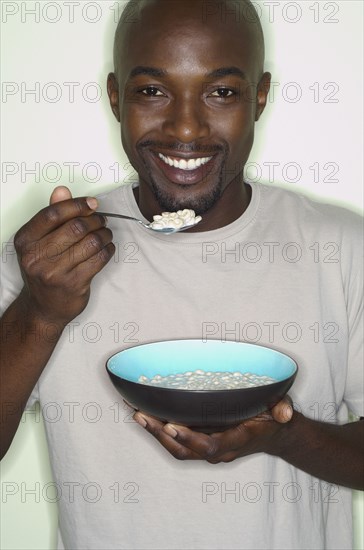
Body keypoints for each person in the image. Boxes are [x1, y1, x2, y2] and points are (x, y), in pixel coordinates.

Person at [1, 0, 363, 548]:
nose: (186, 127)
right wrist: (40, 313)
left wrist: (287, 439)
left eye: (221, 92)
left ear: (259, 97)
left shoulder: (341, 249)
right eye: (152, 90)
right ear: (116, 96)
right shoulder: (46, 259)